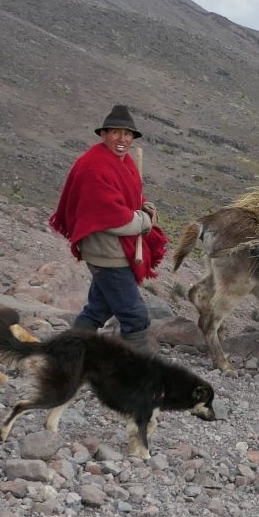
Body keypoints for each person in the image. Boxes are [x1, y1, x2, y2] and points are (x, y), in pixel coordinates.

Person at [49, 105, 167, 353]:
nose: (122, 139)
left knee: (97, 310)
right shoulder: (95, 166)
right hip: (108, 254)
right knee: (135, 316)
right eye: (116, 132)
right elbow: (115, 219)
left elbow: (126, 200)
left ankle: (66, 354)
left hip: (111, 251)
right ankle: (139, 374)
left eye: (127, 134)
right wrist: (145, 220)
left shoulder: (121, 161)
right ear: (104, 135)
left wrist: (143, 206)